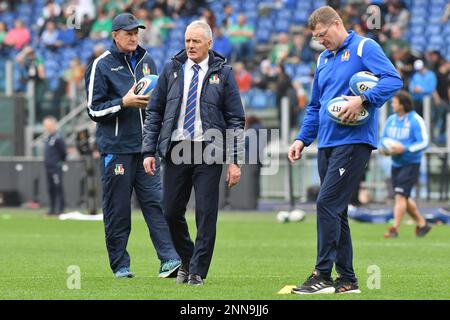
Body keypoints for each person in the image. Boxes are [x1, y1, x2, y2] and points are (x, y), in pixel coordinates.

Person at [287, 6, 403, 294]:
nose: (320, 41)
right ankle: (347, 280)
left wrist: (362, 99)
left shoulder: (365, 47)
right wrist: (302, 139)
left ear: (337, 24)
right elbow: (315, 105)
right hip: (326, 143)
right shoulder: (323, 59)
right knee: (336, 212)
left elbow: (393, 80)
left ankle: (322, 275)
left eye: (323, 35)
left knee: (326, 204)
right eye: (316, 37)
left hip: (353, 142)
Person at [142, 20, 245, 285]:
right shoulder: (171, 69)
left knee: (206, 213)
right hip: (176, 149)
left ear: (209, 44)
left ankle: (197, 271)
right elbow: (154, 112)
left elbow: (235, 119)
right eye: (187, 40)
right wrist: (148, 151)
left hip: (210, 150)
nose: (190, 45)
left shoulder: (224, 73)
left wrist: (235, 160)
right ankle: (187, 260)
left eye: (196, 41)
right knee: (170, 212)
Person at [84, 13, 181, 279]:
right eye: (128, 33)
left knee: (157, 205)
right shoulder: (100, 66)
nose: (133, 37)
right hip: (116, 149)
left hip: (146, 150)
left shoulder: (148, 61)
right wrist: (123, 102)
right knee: (118, 208)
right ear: (114, 35)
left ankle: (170, 260)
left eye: (136, 32)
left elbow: (158, 103)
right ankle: (120, 265)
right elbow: (94, 110)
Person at [380, 90, 431, 238]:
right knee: (404, 197)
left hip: (411, 164)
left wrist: (405, 148)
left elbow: (424, 142)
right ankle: (422, 224)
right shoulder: (391, 120)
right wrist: (385, 149)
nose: (392, 104)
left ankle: (394, 228)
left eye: (394, 102)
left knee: (400, 195)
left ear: (402, 105)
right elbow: (383, 138)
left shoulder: (416, 120)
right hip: (396, 164)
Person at [43, 116, 67, 216]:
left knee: (58, 187)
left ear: (53, 125)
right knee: (50, 188)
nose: (46, 127)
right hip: (48, 167)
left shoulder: (58, 137)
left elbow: (63, 152)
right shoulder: (47, 138)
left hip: (56, 168)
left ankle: (61, 209)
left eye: (47, 125)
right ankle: (52, 209)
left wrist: (59, 163)